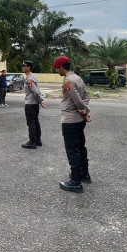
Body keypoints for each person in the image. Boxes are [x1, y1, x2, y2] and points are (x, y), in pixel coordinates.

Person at [54, 56, 92, 193]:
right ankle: (84, 174)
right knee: (81, 147)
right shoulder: (78, 78)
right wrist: (85, 112)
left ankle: (75, 181)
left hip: (70, 120)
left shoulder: (68, 81)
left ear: (62, 67)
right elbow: (86, 96)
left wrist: (83, 111)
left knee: (73, 150)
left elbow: (77, 100)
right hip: (80, 120)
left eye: (57, 69)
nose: (57, 71)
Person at [21, 61, 45, 149]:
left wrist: (40, 100)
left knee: (31, 122)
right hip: (34, 103)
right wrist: (40, 100)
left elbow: (35, 91)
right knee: (35, 122)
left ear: (29, 68)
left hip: (30, 103)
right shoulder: (31, 76)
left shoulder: (29, 79)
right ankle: (38, 140)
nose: (23, 68)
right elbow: (38, 90)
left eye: (24, 66)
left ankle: (32, 141)